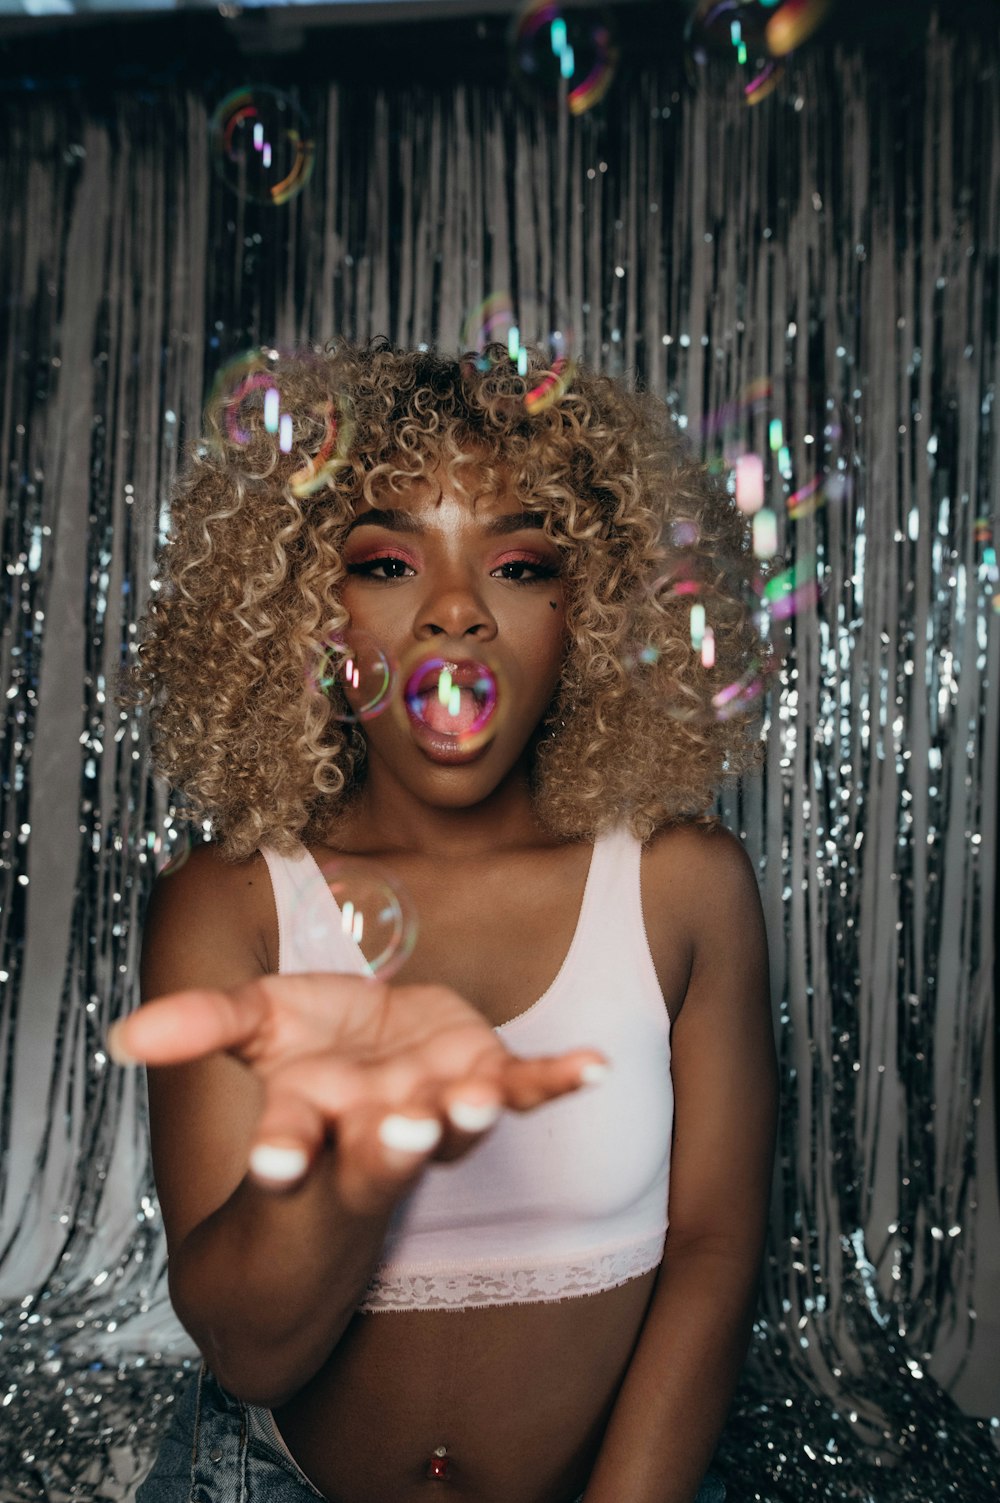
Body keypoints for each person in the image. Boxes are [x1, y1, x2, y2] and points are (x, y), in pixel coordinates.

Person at [112, 336, 778, 1503]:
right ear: (303, 615)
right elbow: (248, 1352)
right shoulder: (230, 908)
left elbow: (715, 1250)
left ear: (591, 609)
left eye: (517, 566)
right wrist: (358, 1152)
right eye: (387, 563)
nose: (456, 613)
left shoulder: (681, 884)